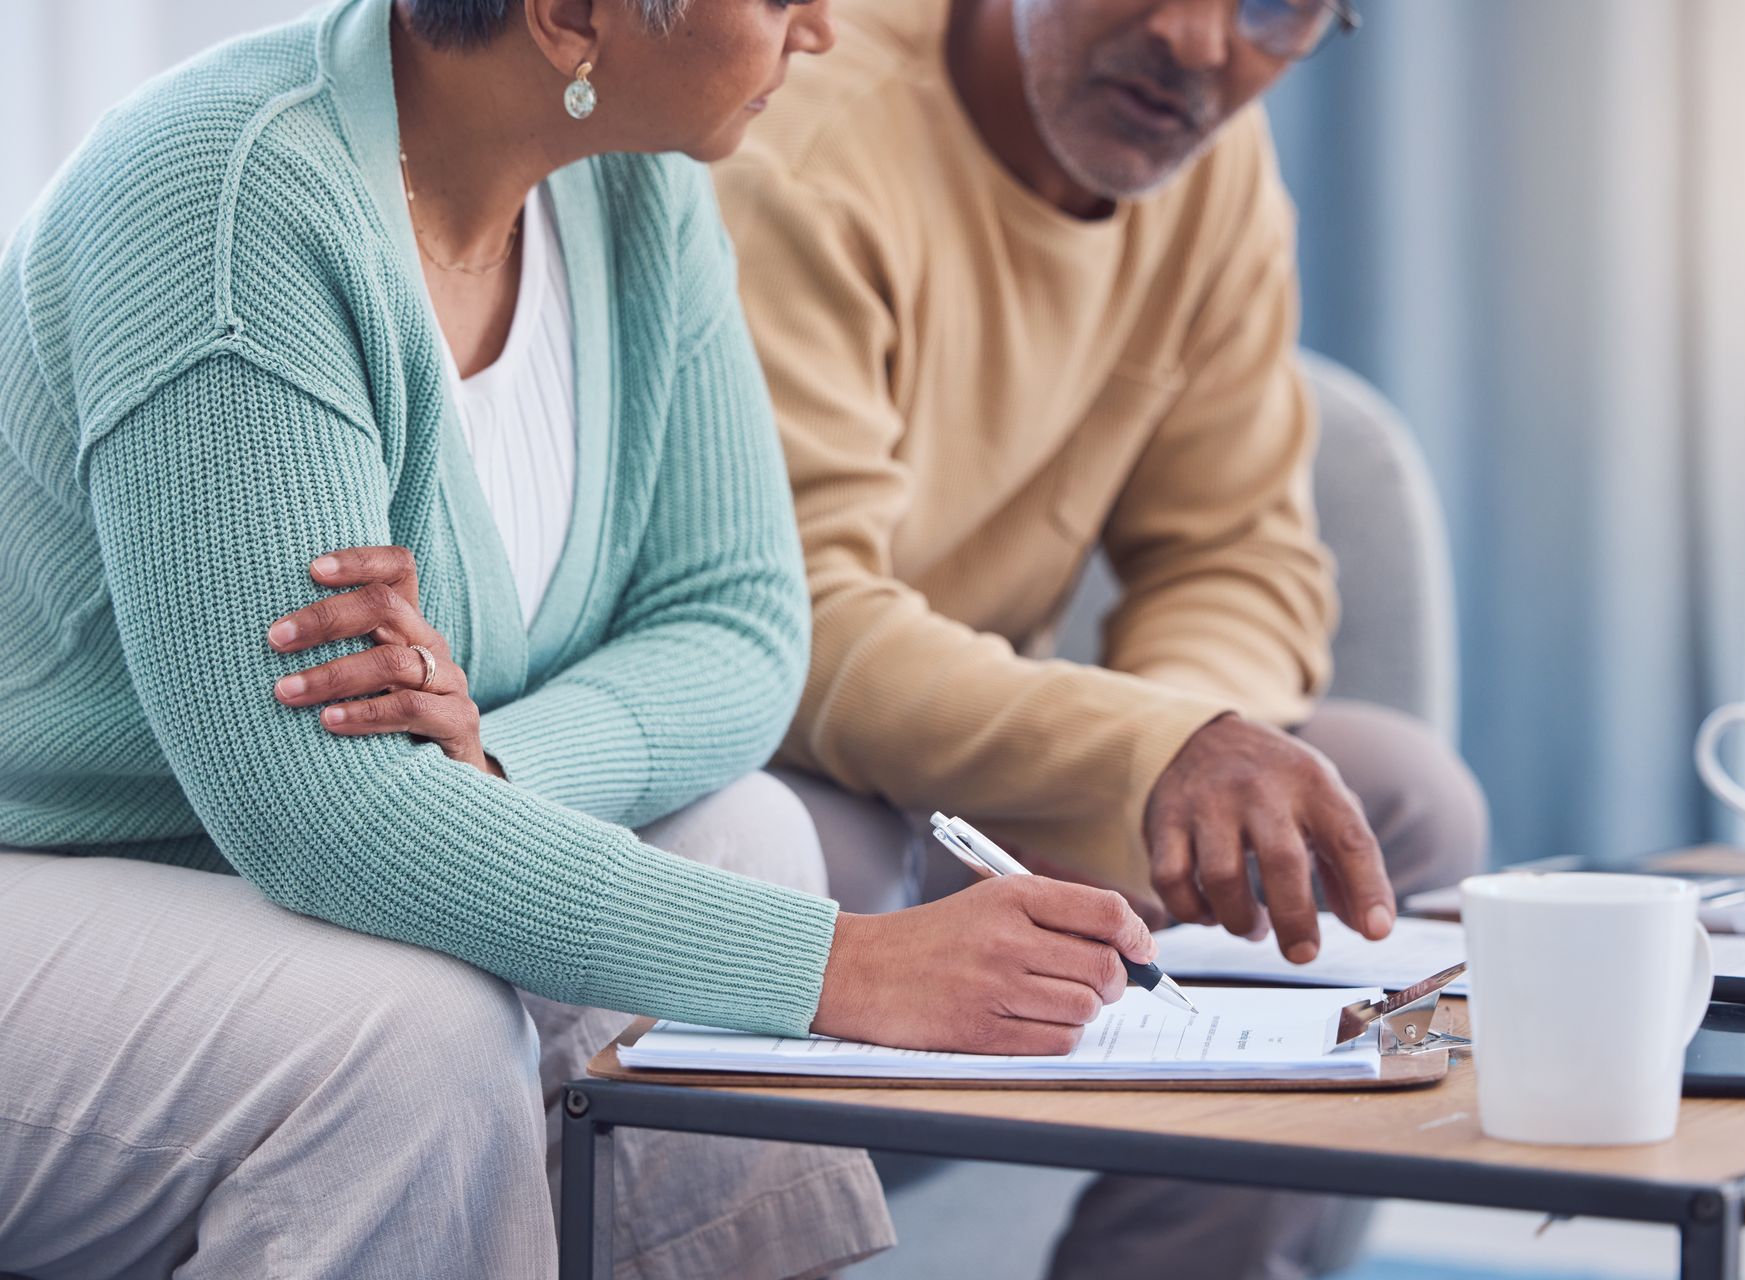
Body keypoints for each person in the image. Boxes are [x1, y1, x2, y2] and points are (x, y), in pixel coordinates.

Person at [0, 0, 1160, 1276]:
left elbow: (738, 624)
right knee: (405, 1038)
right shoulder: (217, 205)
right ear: (566, 18)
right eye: (779, 0)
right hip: (46, 863)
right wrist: (844, 967)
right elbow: (317, 809)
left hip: (254, 854)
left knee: (753, 831)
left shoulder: (637, 194)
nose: (824, 28)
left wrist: (490, 763)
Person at [715, 0, 1489, 1273]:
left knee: (1399, 805)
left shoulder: (1213, 166)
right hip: (797, 742)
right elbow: (794, 620)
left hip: (1009, 748)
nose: (1198, 44)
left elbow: (1236, 550)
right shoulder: (804, 130)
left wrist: (1174, 757)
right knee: (803, 847)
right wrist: (1150, 746)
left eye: (1277, 9)